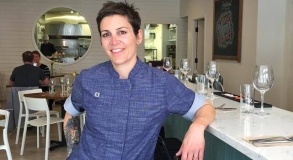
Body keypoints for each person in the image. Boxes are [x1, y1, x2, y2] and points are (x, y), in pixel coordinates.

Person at [63, 1, 215, 160]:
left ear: (138, 36)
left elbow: (205, 108)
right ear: (101, 41)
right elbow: (70, 114)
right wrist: (72, 153)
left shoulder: (162, 83)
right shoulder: (87, 78)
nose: (114, 41)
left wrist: (197, 127)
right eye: (106, 34)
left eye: (121, 32)